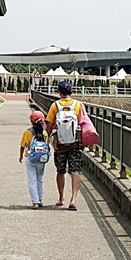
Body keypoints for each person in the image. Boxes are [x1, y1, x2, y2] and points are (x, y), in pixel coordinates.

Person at [45, 79, 85, 211]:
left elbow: (49, 125)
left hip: (60, 144)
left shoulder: (55, 106)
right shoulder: (79, 105)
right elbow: (84, 124)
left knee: (60, 170)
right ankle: (73, 199)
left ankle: (61, 198)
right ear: (71, 91)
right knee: (75, 170)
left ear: (59, 92)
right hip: (75, 144)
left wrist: (48, 139)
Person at [19, 111, 49, 209]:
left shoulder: (28, 132)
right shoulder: (45, 134)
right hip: (42, 159)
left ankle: (35, 202)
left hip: (30, 158)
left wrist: (21, 156)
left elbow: (23, 146)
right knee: (39, 179)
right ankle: (40, 199)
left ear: (32, 122)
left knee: (32, 180)